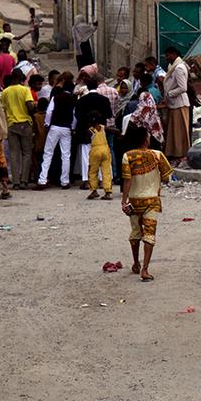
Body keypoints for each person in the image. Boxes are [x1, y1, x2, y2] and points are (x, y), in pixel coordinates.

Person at [119, 124, 173, 282]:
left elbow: (127, 180)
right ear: (145, 140)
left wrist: (124, 201)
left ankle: (135, 263)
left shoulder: (127, 156)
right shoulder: (157, 155)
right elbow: (167, 177)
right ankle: (145, 269)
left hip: (134, 201)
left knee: (135, 232)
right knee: (149, 234)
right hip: (152, 201)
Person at [75, 74, 113, 198]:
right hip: (101, 135)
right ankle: (104, 183)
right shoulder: (104, 100)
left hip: (85, 131)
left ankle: (87, 181)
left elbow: (77, 116)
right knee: (105, 163)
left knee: (87, 158)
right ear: (97, 85)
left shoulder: (81, 100)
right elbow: (108, 115)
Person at [38, 73, 77, 189]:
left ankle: (42, 179)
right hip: (66, 128)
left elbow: (49, 112)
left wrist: (47, 123)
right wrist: (73, 127)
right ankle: (65, 181)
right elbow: (75, 115)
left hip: (55, 127)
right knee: (66, 155)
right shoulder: (73, 99)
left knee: (48, 153)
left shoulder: (56, 97)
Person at [0, 69, 37, 190]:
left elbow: (4, 108)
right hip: (25, 124)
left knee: (14, 154)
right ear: (21, 78)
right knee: (26, 153)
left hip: (11, 125)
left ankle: (15, 182)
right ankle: (24, 180)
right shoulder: (25, 90)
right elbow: (29, 106)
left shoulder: (5, 92)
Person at [161, 46, 191, 165]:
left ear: (173, 54)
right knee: (173, 130)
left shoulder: (179, 68)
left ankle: (181, 153)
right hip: (173, 103)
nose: (166, 58)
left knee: (180, 131)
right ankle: (174, 153)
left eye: (168, 55)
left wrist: (169, 94)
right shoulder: (171, 67)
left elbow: (183, 87)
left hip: (179, 103)